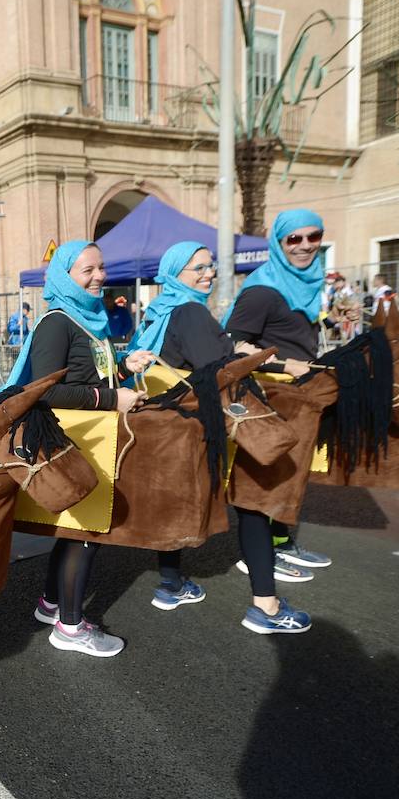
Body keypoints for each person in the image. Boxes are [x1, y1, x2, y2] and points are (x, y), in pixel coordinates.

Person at [131, 240, 310, 632]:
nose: (208, 273)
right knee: (255, 503)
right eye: (198, 268)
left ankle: (171, 584)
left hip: (172, 431)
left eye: (210, 266)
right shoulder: (191, 311)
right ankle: (266, 607)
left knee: (179, 504)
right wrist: (267, 360)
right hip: (209, 427)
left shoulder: (159, 311)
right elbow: (221, 370)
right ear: (175, 273)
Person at [24, 241, 154, 656]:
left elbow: (89, 375)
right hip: (77, 440)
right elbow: (44, 390)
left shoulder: (90, 320)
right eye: (88, 271)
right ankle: (71, 627)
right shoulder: (56, 322)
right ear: (65, 277)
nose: (99, 276)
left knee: (76, 527)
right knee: (87, 531)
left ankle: (51, 602)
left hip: (94, 436)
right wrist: (112, 400)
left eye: (101, 268)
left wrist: (121, 369)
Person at [225, 210, 354, 621]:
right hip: (272, 401)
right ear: (279, 244)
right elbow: (233, 345)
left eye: (312, 236)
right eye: (292, 239)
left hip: (300, 400)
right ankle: (263, 589)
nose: (304, 245)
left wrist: (334, 322)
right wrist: (282, 365)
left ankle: (279, 547)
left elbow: (293, 331)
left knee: (287, 481)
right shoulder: (262, 289)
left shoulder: (306, 283)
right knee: (260, 491)